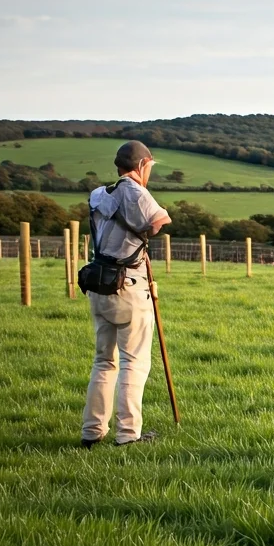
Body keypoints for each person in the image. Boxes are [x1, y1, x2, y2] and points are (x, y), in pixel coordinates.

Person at [81, 141, 172, 448]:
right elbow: (159, 221)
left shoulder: (98, 194)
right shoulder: (135, 191)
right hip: (129, 285)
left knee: (103, 361)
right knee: (134, 361)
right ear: (142, 165)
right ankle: (128, 435)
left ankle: (92, 432)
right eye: (149, 167)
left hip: (99, 282)